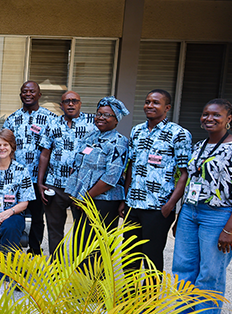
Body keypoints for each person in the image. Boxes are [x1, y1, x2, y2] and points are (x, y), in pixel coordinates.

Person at [172, 99, 232, 313]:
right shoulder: (199, 146)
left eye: (216, 115)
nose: (209, 118)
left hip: (219, 216)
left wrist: (230, 229)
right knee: (182, 269)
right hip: (190, 213)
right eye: (206, 114)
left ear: (228, 118)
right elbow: (191, 183)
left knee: (210, 274)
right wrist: (181, 217)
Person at [121, 89, 191, 272]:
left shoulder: (179, 134)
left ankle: (151, 292)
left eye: (155, 102)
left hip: (158, 208)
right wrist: (125, 199)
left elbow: (185, 173)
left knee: (151, 257)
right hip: (133, 205)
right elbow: (131, 166)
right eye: (147, 102)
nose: (149, 105)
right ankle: (129, 291)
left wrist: (170, 205)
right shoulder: (137, 131)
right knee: (129, 257)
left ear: (167, 107)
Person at [37, 90, 95, 255]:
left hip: (81, 186)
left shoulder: (92, 123)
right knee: (54, 228)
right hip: (55, 184)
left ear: (80, 103)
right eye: (67, 101)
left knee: (82, 229)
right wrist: (40, 182)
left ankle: (80, 264)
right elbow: (45, 154)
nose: (71, 104)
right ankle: (57, 264)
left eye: (74, 101)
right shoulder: (52, 123)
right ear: (61, 105)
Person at [66, 97, 129, 243]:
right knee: (80, 242)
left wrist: (85, 198)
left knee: (97, 245)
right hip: (81, 199)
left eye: (107, 115)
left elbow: (110, 178)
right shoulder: (90, 136)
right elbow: (77, 164)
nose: (101, 117)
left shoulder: (119, 142)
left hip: (102, 201)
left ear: (116, 120)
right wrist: (76, 194)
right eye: (99, 114)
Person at [3, 81, 56, 255]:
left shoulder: (51, 118)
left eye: (32, 91)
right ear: (20, 95)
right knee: (13, 212)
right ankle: (13, 247)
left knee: (36, 215)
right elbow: (3, 146)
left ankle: (34, 248)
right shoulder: (12, 119)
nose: (28, 94)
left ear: (39, 95)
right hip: (14, 178)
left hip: (38, 178)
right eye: (24, 91)